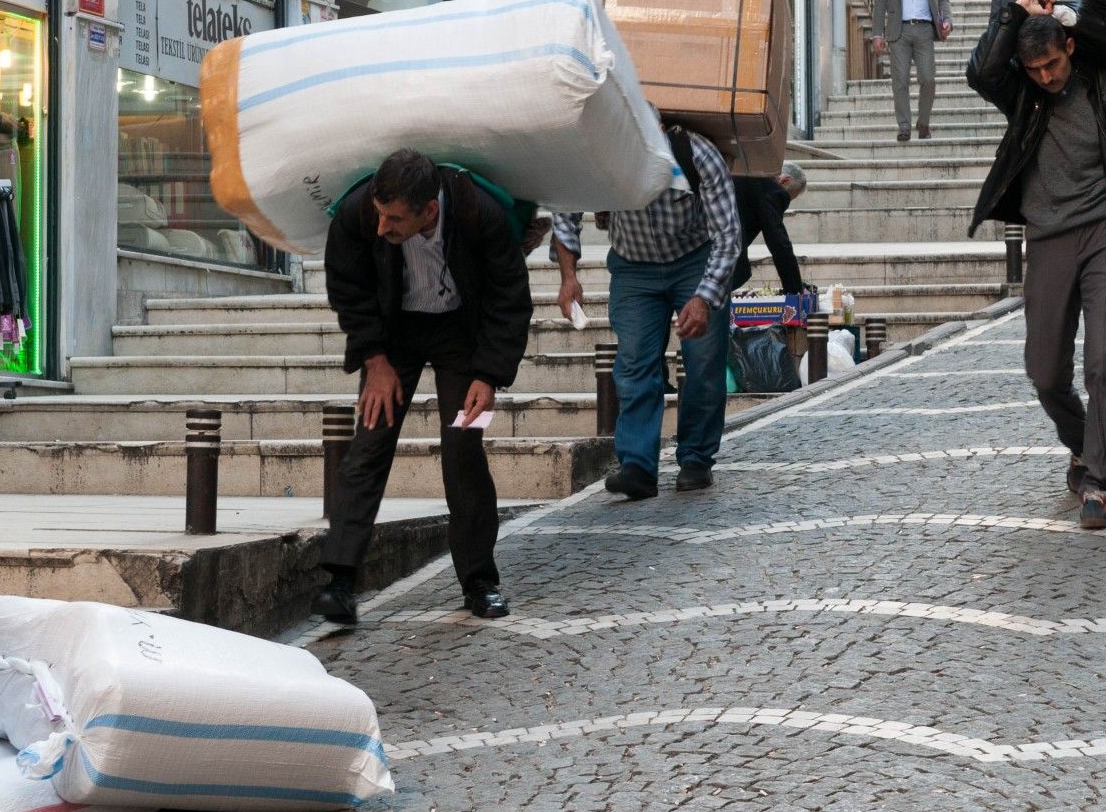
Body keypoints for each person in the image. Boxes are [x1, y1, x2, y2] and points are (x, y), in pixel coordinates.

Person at [966, 0, 1106, 533]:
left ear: (1069, 47)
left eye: (1052, 63)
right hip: (1048, 237)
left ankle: (1100, 479)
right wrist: (1017, 11)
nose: (1046, 77)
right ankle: (1082, 443)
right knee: (1044, 370)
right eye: (1035, 69)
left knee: (1104, 360)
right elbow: (981, 71)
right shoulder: (1023, 94)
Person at [315, 149, 533, 626]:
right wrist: (374, 359)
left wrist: (489, 376)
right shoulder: (358, 213)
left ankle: (480, 581)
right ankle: (339, 583)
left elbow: (511, 298)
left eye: (394, 219)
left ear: (429, 210)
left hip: (464, 337)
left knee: (465, 447)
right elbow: (345, 285)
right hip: (392, 338)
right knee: (369, 441)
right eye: (379, 214)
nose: (381, 227)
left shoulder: (481, 213)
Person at [551, 126, 741, 500]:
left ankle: (696, 459)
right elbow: (564, 209)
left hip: (695, 259)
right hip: (633, 264)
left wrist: (703, 298)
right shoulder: (600, 152)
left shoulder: (698, 155)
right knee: (635, 362)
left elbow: (728, 236)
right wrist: (568, 276)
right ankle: (637, 466)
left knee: (703, 362)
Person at [872, 0, 953, 143]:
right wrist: (876, 35)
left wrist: (947, 21)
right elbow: (879, 4)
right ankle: (904, 126)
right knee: (900, 81)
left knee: (928, 78)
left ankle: (923, 122)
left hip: (925, 30)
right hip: (899, 31)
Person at [732, 161, 807, 294]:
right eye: (787, 198)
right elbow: (779, 243)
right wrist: (795, 290)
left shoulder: (747, 172)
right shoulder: (772, 189)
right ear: (784, 180)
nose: (783, 204)